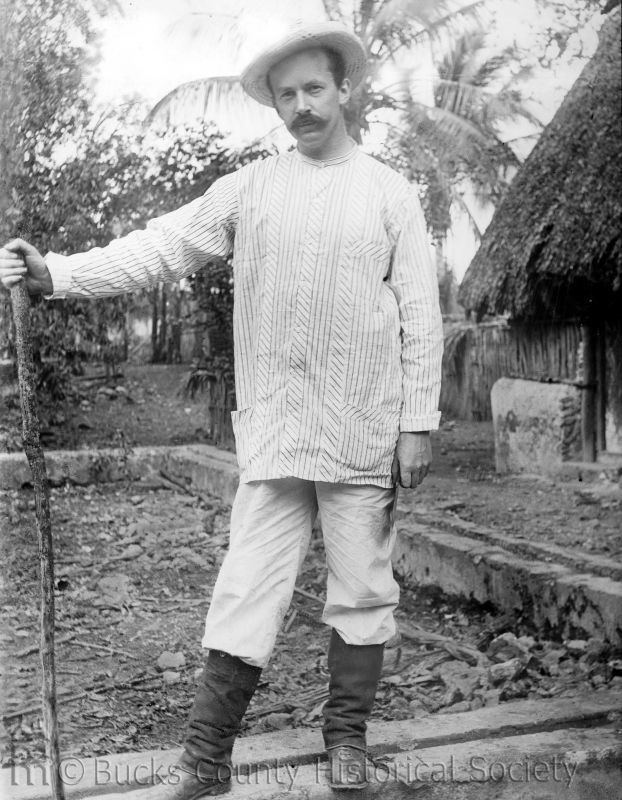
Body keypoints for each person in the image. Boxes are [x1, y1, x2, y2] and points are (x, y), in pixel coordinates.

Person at [0, 21, 443, 797]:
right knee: (246, 589)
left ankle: (346, 742)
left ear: (344, 90)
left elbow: (421, 315)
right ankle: (205, 760)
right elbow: (161, 245)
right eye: (287, 95)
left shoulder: (389, 193)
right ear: (273, 105)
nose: (302, 106)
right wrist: (59, 274)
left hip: (362, 430)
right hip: (276, 433)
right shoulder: (250, 189)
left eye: (314, 89)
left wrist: (418, 422)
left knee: (364, 591)